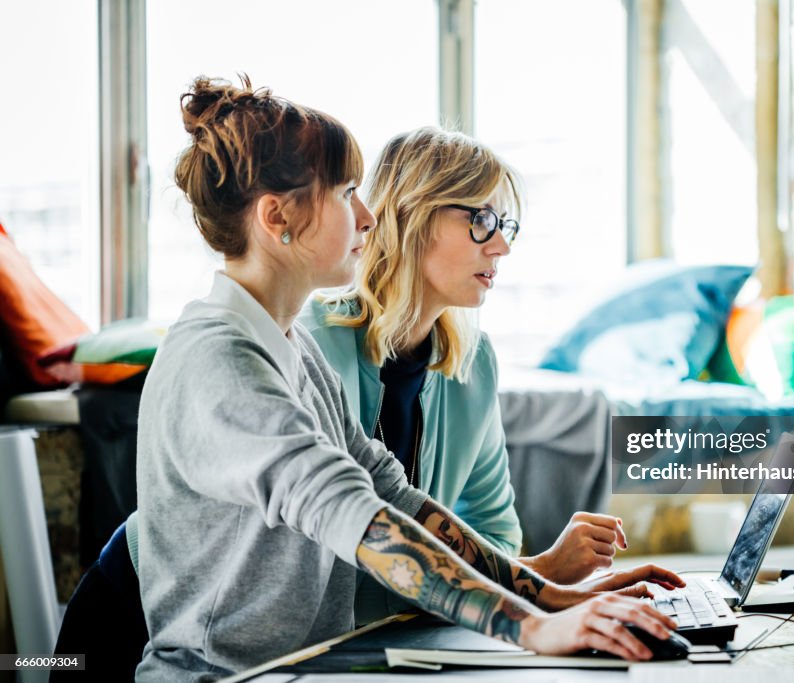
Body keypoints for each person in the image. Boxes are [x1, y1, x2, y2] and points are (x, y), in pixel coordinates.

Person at [133, 76, 683, 681]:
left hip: (308, 667)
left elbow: (393, 497)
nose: (369, 216)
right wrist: (532, 626)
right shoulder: (221, 359)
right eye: (346, 194)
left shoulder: (291, 350)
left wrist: (549, 593)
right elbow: (350, 510)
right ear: (278, 218)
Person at [299, 127, 628, 592]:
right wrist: (543, 576)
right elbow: (325, 561)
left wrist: (542, 579)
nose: (501, 246)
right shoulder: (311, 343)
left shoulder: (473, 364)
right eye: (482, 221)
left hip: (423, 632)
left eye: (505, 226)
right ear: (412, 215)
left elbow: (496, 534)